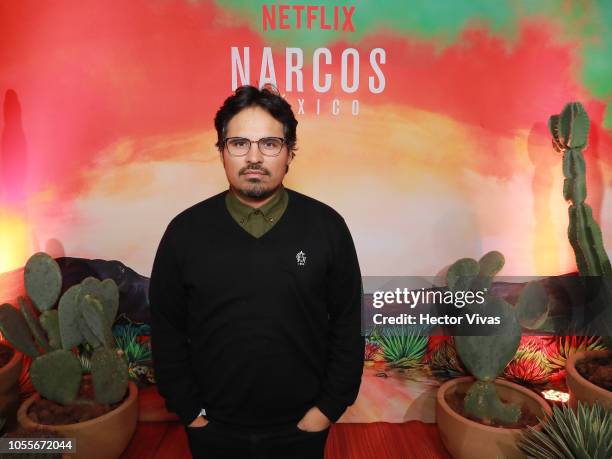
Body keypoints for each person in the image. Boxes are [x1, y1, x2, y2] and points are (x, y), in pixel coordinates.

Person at [149, 84, 364, 459]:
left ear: (290, 153)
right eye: (239, 143)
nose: (253, 157)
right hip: (213, 430)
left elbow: (348, 323)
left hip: (301, 428)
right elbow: (167, 329)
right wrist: (190, 412)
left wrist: (327, 409)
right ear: (221, 152)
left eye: (269, 143)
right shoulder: (184, 232)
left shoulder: (327, 227)